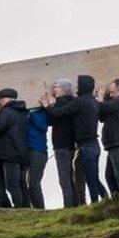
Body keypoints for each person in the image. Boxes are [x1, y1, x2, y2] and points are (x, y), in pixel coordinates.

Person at [44, 75, 107, 203]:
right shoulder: (93, 101)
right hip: (94, 144)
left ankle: (96, 206)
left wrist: (48, 106)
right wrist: (100, 99)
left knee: (90, 179)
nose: (77, 88)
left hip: (86, 146)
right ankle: (107, 200)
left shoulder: (80, 102)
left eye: (78, 85)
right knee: (94, 178)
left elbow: (58, 113)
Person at [0, 89, 31, 208]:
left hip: (10, 153)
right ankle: (27, 208)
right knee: (22, 183)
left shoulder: (6, 111)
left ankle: (19, 208)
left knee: (12, 185)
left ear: (6, 99)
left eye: (0, 99)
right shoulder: (22, 112)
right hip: (22, 152)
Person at [42, 79, 78, 208]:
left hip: (62, 144)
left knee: (64, 177)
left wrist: (48, 106)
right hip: (68, 143)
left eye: (57, 87)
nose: (54, 89)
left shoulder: (63, 102)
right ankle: (74, 203)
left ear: (64, 89)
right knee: (69, 175)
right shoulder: (72, 102)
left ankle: (68, 205)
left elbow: (54, 117)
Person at [27, 105, 49, 209]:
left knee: (34, 182)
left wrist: (31, 113)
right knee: (29, 182)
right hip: (29, 151)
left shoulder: (41, 112)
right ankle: (33, 208)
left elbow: (42, 126)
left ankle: (39, 209)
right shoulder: (26, 113)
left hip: (38, 152)